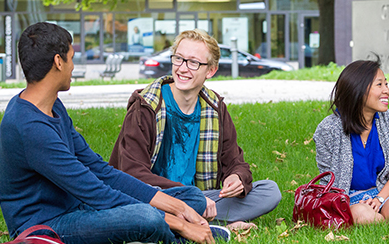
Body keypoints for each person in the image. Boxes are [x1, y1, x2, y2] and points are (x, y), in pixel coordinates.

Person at [0, 22, 225, 244]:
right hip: (46, 225)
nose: (73, 67)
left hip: (79, 206)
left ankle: (146, 237)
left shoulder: (53, 106)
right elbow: (95, 191)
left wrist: (180, 207)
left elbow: (101, 170)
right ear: (58, 62)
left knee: (191, 198)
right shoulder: (29, 127)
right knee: (145, 216)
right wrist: (180, 223)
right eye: (71, 58)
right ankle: (178, 239)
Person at [110, 29, 281, 231]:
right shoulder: (146, 106)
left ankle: (192, 222)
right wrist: (189, 195)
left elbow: (235, 161)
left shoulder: (215, 107)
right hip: (153, 196)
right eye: (178, 59)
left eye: (193, 63)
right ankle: (204, 223)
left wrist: (237, 178)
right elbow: (132, 174)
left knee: (270, 191)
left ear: (210, 71)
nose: (183, 68)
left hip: (202, 199)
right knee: (148, 209)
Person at [313, 59, 389, 225]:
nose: (387, 91)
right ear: (358, 89)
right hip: (350, 198)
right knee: (366, 218)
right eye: (379, 85)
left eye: (386, 84)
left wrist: (380, 198)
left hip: (386, 192)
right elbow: (327, 179)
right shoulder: (328, 128)